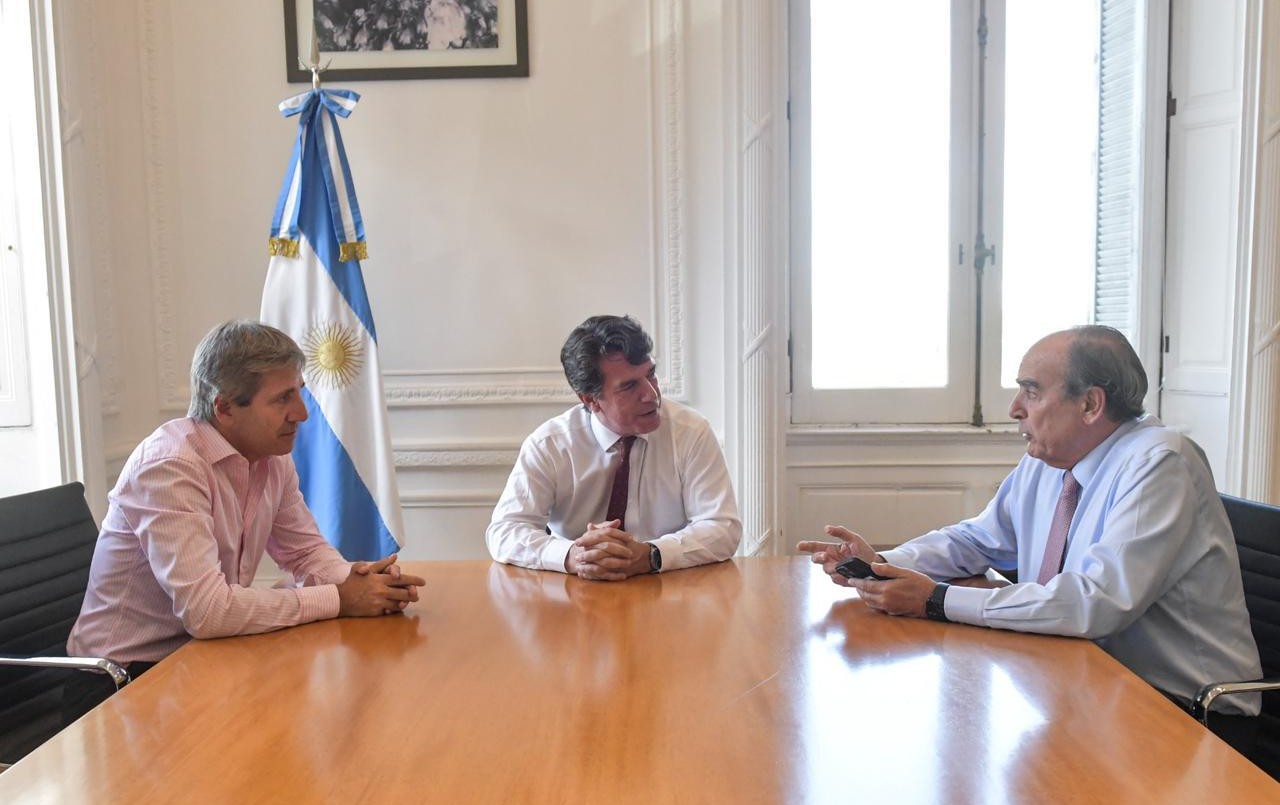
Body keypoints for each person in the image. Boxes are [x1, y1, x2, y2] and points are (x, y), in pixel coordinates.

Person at [798, 325, 1262, 728]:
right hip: (1089, 684)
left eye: (1032, 392)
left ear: (1090, 404)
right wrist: (882, 564)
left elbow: (1095, 603)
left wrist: (936, 600)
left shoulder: (1160, 462)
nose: (1015, 407)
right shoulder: (1048, 460)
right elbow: (978, 540)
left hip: (1188, 713)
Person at [65, 320, 424, 716]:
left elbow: (305, 553)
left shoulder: (270, 456)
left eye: (299, 392)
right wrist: (339, 598)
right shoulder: (169, 467)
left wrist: (362, 582)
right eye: (283, 398)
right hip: (120, 686)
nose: (302, 413)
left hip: (199, 662)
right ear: (224, 407)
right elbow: (208, 612)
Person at [487, 314, 742, 580]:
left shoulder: (690, 432)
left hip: (668, 586)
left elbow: (722, 527)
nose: (651, 394)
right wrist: (573, 556)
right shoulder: (550, 445)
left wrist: (652, 555)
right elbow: (505, 530)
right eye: (629, 386)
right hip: (574, 590)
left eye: (651, 375)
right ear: (591, 400)